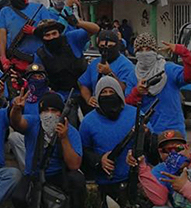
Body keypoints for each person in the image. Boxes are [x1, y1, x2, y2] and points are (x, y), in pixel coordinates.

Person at [11, 90, 84, 208]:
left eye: (54, 111)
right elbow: (17, 123)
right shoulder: (34, 122)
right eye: (45, 110)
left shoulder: (71, 131)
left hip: (58, 174)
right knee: (18, 197)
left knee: (77, 180)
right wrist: (16, 109)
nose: (49, 114)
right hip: (33, 174)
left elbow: (74, 165)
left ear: (61, 114)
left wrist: (64, 139)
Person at [129, 130, 191, 208]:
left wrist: (185, 187)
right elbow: (159, 200)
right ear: (160, 153)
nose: (173, 154)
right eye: (166, 150)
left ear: (187, 148)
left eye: (178, 149)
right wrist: (141, 167)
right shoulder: (161, 170)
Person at [125, 33, 191, 136]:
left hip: (173, 132)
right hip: (147, 133)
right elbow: (127, 106)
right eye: (140, 50)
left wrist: (183, 52)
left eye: (148, 49)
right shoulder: (133, 76)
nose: (144, 53)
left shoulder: (168, 70)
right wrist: (137, 92)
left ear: (155, 51)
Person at [79, 76, 138, 206]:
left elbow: (152, 145)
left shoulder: (136, 114)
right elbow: (83, 151)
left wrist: (146, 134)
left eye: (111, 92)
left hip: (135, 181)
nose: (108, 96)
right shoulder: (88, 121)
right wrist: (100, 160)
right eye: (104, 93)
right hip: (106, 184)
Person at [33, 18, 99, 101]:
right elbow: (38, 78)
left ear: (59, 33)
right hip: (61, 97)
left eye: (54, 33)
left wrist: (78, 23)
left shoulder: (71, 39)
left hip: (87, 93)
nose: (52, 37)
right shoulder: (40, 54)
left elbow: (95, 29)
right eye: (47, 35)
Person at [0, 0, 56, 74]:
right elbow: (2, 36)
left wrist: (34, 31)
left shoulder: (39, 8)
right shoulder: (5, 11)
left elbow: (50, 29)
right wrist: (3, 57)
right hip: (15, 60)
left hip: (40, 57)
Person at [79, 29, 137, 108]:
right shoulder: (94, 63)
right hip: (97, 109)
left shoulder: (126, 65)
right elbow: (83, 83)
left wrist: (109, 73)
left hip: (118, 108)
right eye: (102, 46)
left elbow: (126, 90)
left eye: (110, 46)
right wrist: (88, 98)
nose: (106, 49)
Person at [7, 63, 49, 172]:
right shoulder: (21, 100)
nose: (37, 79)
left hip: (47, 136)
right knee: (14, 137)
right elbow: (13, 121)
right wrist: (16, 108)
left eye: (40, 77)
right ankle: (27, 170)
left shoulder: (52, 97)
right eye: (34, 77)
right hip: (28, 136)